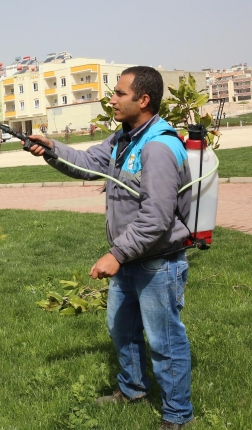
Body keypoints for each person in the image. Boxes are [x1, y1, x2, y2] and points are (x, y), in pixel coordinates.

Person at [27, 66, 194, 429]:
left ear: (143, 100)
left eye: (119, 93)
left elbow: (157, 218)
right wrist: (51, 150)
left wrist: (116, 254)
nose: (112, 99)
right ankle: (133, 389)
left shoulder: (158, 147)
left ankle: (178, 415)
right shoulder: (124, 138)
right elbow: (89, 163)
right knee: (123, 331)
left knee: (165, 342)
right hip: (132, 258)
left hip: (157, 263)